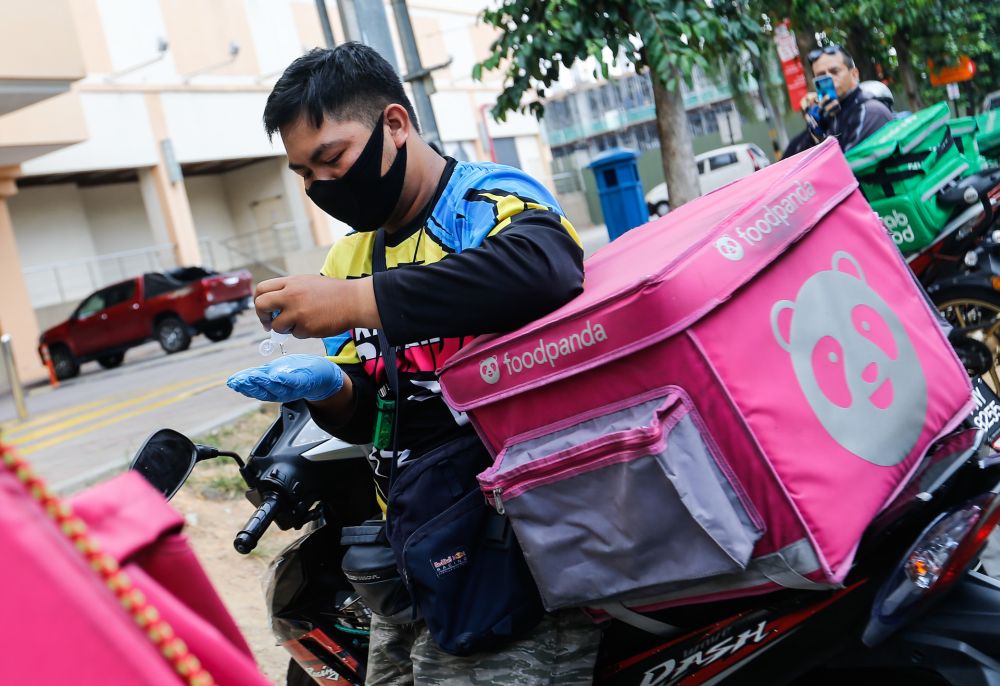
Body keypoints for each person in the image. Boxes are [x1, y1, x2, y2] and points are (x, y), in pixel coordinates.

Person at [226, 43, 600, 685]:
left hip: (519, 543)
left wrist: (353, 303)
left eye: (332, 159)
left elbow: (545, 268)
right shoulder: (349, 259)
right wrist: (332, 390)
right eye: (304, 174)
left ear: (394, 125)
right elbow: (376, 418)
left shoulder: (483, 202)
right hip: (420, 538)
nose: (321, 187)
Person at [782, 45, 894, 157]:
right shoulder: (827, 118)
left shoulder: (871, 111)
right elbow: (792, 165)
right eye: (821, 75)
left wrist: (825, 137)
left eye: (835, 71)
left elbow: (844, 166)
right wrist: (814, 134)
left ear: (854, 75)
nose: (829, 78)